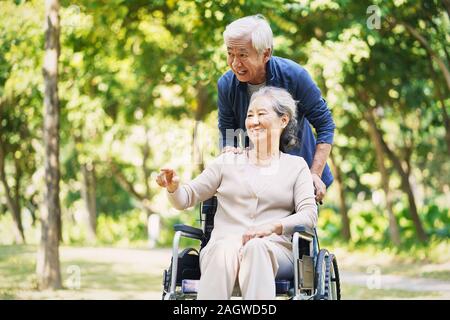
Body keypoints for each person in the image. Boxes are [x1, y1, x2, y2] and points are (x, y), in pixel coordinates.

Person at [156, 87, 317, 300]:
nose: (254, 121)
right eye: (250, 115)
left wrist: (272, 227)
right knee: (225, 249)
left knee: (257, 247)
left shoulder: (296, 167)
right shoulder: (227, 162)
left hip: (274, 251)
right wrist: (174, 188)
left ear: (283, 120)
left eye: (262, 114)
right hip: (222, 249)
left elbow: (309, 215)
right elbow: (187, 197)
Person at [218, 14, 335, 203]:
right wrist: (230, 151)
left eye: (242, 55)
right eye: (230, 53)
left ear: (266, 54)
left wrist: (314, 174)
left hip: (300, 173)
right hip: (257, 177)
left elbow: (326, 125)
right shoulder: (226, 85)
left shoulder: (295, 76)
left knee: (295, 227)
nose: (235, 63)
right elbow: (228, 132)